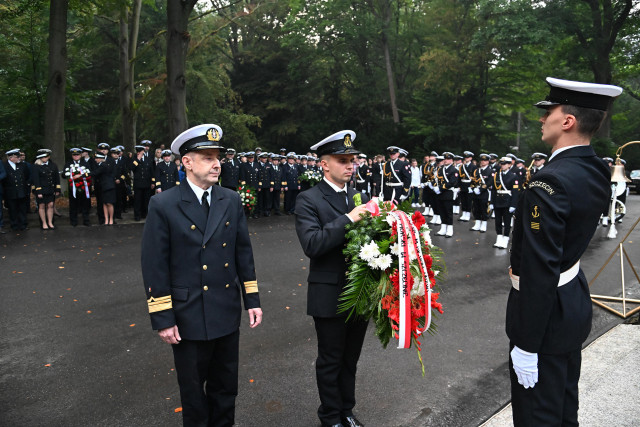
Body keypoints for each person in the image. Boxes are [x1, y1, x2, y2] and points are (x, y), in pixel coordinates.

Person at [506, 77, 622, 426]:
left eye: (549, 112)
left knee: (537, 416)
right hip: (570, 301)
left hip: (545, 316)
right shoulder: (596, 169)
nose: (542, 119)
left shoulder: (550, 181)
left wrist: (527, 345)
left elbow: (540, 267)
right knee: (562, 408)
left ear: (568, 121)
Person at [141, 124, 262, 426]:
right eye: (207, 157)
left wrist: (253, 299)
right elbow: (155, 264)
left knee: (225, 388)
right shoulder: (164, 204)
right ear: (187, 162)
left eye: (218, 156)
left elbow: (242, 253)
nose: (217, 163)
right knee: (193, 394)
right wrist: (163, 317)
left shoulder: (230, 200)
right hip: (187, 315)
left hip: (225, 309)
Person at [295, 130, 369, 427]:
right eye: (343, 160)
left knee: (350, 360)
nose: (351, 166)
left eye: (352, 160)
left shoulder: (356, 196)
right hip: (329, 294)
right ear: (324, 164)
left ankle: (346, 412)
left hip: (359, 292)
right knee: (330, 360)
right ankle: (330, 417)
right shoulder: (308, 199)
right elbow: (312, 244)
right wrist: (350, 218)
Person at [489, 157, 519, 249]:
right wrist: (492, 202)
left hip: (507, 202)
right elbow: (494, 190)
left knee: (506, 222)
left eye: (505, 164)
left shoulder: (514, 176)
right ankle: (499, 238)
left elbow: (515, 192)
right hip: (498, 201)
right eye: (502, 164)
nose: (503, 165)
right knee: (497, 222)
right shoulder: (497, 175)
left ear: (510, 165)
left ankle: (505, 239)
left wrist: (513, 205)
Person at [2, 149, 30, 231]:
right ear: (11, 158)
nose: (19, 158)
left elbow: (27, 176)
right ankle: (14, 225)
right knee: (12, 209)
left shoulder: (22, 165)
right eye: (17, 157)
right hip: (10, 191)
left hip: (21, 190)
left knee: (22, 208)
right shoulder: (5, 166)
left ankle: (23, 224)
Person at [32, 152, 61, 230]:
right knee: (41, 206)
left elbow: (56, 178)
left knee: (50, 205)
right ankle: (44, 223)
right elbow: (36, 179)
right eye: (42, 157)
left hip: (50, 189)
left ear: (48, 157)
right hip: (41, 189)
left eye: (45, 157)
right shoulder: (36, 166)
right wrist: (38, 191)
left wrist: (57, 189)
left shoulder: (53, 165)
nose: (44, 159)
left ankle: (50, 222)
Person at [434, 152, 459, 237]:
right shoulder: (440, 169)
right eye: (444, 159)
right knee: (441, 211)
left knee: (448, 212)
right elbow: (436, 179)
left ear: (452, 161)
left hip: (447, 193)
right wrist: (435, 186)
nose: (445, 160)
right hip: (439, 194)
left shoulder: (454, 170)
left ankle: (449, 229)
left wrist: (440, 188)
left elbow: (452, 182)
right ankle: (443, 228)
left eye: (448, 159)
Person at [92, 153, 117, 225]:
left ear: (100, 159)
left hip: (108, 187)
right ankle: (106, 219)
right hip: (103, 187)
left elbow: (95, 173)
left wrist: (82, 174)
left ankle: (111, 219)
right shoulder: (101, 165)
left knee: (109, 203)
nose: (95, 160)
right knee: (104, 203)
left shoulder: (103, 165)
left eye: (96, 158)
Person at [131, 145, 155, 221]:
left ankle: (145, 214)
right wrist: (138, 159)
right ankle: (137, 216)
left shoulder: (148, 159)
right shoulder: (134, 159)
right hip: (138, 183)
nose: (139, 153)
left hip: (147, 183)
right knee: (137, 201)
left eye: (140, 152)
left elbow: (152, 171)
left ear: (143, 152)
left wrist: (153, 182)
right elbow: (131, 168)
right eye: (138, 152)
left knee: (146, 200)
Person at [470, 153, 492, 233]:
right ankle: (477, 223)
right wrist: (472, 187)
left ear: (488, 162)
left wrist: (480, 189)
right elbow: (473, 180)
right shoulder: (476, 170)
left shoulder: (490, 171)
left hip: (484, 193)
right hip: (475, 192)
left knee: (483, 208)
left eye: (485, 160)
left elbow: (489, 182)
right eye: (482, 160)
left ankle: (484, 224)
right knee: (476, 208)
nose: (483, 162)